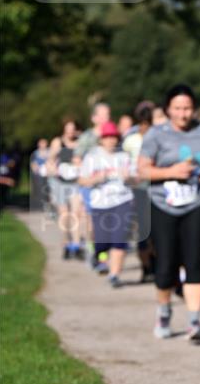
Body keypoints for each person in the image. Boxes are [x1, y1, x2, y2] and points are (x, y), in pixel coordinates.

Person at [138, 84, 200, 343]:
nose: (183, 114)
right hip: (163, 205)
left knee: (194, 262)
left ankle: (194, 322)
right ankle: (164, 312)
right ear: (167, 109)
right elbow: (142, 171)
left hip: (197, 203)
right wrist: (171, 172)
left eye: (188, 108)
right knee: (166, 264)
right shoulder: (155, 135)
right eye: (178, 109)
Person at [78, 121, 136, 288]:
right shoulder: (92, 157)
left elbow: (136, 178)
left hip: (122, 200)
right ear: (101, 140)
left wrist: (129, 178)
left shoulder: (124, 156)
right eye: (107, 137)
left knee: (120, 238)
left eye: (113, 137)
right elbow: (82, 180)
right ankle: (100, 256)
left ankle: (114, 275)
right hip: (100, 203)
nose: (110, 140)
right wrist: (96, 179)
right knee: (102, 241)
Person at [123, 101, 156, 282]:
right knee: (143, 230)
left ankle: (155, 263)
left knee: (155, 228)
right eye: (143, 123)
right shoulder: (130, 140)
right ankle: (146, 266)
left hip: (156, 184)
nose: (145, 127)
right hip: (138, 187)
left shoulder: (158, 136)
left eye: (148, 123)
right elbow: (124, 162)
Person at [76, 101, 111, 268]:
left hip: (110, 186)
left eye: (108, 115)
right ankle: (92, 248)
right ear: (94, 118)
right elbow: (77, 160)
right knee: (92, 222)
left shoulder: (113, 135)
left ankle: (103, 257)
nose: (106, 118)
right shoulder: (87, 137)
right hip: (91, 186)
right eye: (103, 115)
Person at [48, 118, 85, 260]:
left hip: (75, 181)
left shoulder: (80, 142)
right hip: (60, 182)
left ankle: (76, 245)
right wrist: (54, 170)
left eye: (72, 128)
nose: (70, 131)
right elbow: (50, 160)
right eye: (67, 129)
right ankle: (66, 243)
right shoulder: (58, 142)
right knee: (64, 214)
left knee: (75, 213)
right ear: (64, 129)